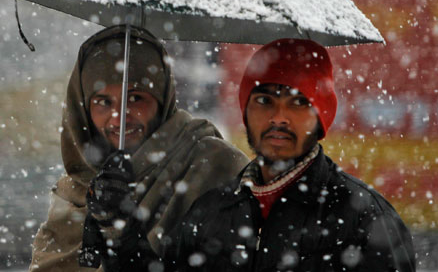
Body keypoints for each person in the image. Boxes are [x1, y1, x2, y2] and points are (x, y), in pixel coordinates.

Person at [96, 38, 416, 272]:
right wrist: (123, 229)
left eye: (297, 103)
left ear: (322, 117)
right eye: (264, 101)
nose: (279, 117)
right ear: (246, 111)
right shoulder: (212, 212)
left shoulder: (361, 217)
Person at [29, 25, 249, 271]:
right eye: (103, 102)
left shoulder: (211, 165)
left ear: (162, 99)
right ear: (82, 110)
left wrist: (122, 232)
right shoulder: (78, 190)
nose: (120, 117)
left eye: (135, 98)